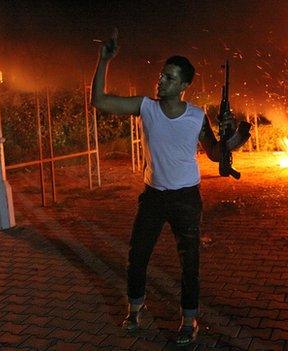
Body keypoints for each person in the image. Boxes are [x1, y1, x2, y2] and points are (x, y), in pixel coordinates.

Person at [91, 30, 225, 346]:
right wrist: (103, 61)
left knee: (189, 263)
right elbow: (99, 101)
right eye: (162, 75)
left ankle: (189, 321)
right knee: (137, 256)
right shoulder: (146, 107)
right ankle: (135, 311)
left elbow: (216, 154)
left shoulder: (197, 116)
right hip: (153, 196)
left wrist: (232, 138)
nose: (161, 81)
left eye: (169, 78)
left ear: (183, 86)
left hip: (186, 199)